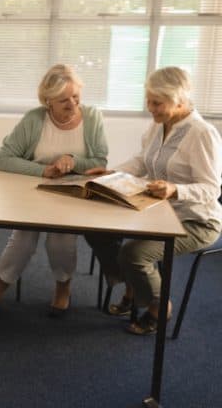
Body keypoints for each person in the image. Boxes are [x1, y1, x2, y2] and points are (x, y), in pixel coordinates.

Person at [86, 67, 222, 335]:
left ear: (180, 101)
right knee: (97, 229)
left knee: (133, 254)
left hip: (196, 221)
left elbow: (211, 188)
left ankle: (159, 307)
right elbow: (142, 160)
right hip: (157, 209)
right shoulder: (159, 124)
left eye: (157, 103)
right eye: (148, 101)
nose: (151, 108)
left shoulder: (201, 134)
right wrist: (114, 172)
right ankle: (135, 288)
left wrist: (175, 189)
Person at [0, 64, 108, 318]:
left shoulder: (92, 118)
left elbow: (99, 163)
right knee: (22, 240)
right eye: (63, 100)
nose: (72, 104)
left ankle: (63, 287)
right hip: (34, 192)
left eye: (75, 96)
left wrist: (73, 160)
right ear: (48, 101)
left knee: (62, 240)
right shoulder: (34, 119)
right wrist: (44, 171)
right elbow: (4, 159)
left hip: (72, 194)